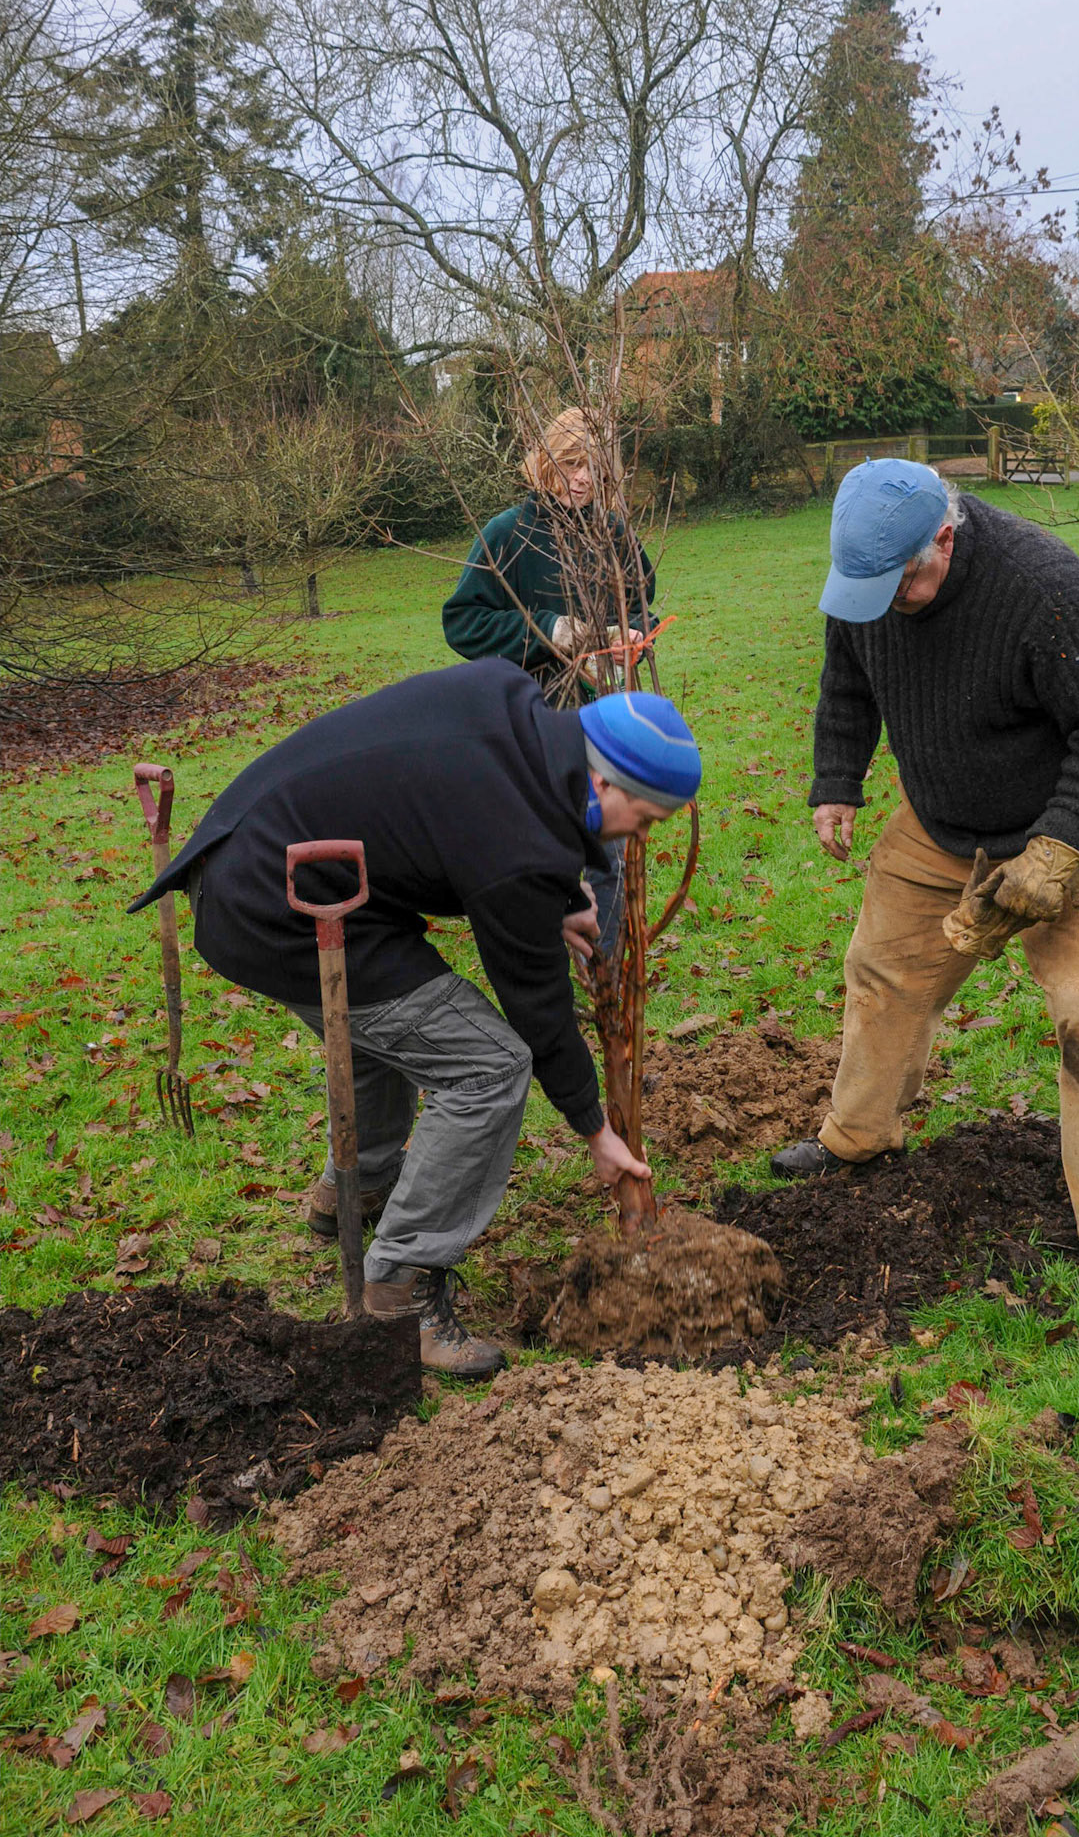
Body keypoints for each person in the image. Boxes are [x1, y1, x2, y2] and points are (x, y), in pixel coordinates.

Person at [129, 663, 702, 1376]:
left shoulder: (507, 698)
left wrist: (556, 895)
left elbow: (465, 821)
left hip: (261, 860)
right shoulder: (517, 843)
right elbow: (537, 1004)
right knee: (486, 1065)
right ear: (605, 784)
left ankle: (359, 1186)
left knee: (388, 1023)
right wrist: (594, 1128)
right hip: (278, 911)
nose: (635, 838)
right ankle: (399, 1287)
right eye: (642, 819)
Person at [774, 458, 1079, 1299]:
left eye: (903, 581)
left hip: (1067, 823)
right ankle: (858, 1134)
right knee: (883, 973)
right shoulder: (871, 576)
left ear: (944, 538)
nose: (888, 600)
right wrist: (838, 779)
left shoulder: (1048, 592)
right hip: (941, 823)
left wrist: (1057, 852)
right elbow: (848, 679)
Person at [441, 407, 656, 950]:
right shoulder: (509, 534)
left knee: (610, 851)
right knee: (545, 853)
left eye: (593, 467)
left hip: (605, 716)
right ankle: (543, 957)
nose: (582, 479)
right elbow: (463, 621)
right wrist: (547, 629)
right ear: (544, 463)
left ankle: (607, 968)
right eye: (570, 463)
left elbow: (641, 603)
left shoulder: (611, 532)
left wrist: (628, 634)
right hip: (534, 723)